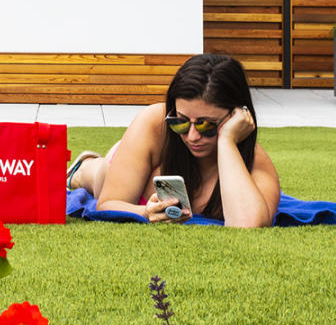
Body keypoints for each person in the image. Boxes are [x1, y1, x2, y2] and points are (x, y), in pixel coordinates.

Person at [66, 52, 280, 227]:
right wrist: (145, 212)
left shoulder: (254, 162)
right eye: (181, 123)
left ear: (237, 116)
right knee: (96, 174)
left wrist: (226, 141)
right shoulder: (155, 124)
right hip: (125, 158)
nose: (193, 136)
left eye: (207, 126)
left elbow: (247, 225)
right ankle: (82, 167)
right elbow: (108, 203)